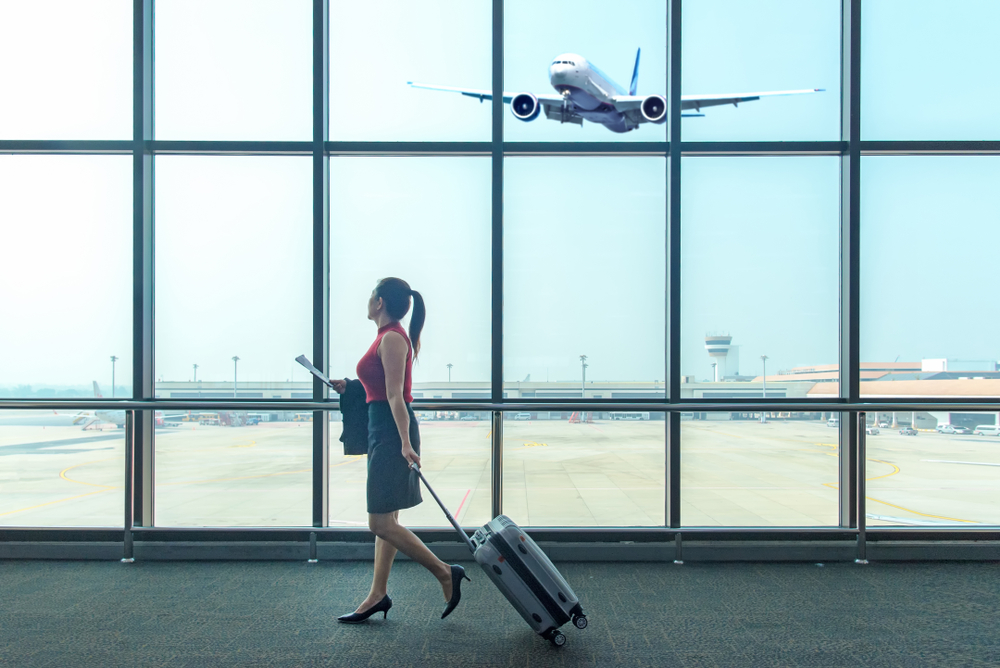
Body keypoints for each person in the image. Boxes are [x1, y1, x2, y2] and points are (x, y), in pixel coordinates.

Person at [331, 277, 469, 624]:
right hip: (383, 429)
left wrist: (405, 443)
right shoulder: (385, 337)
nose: (367, 300)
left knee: (378, 521)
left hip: (392, 433)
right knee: (388, 519)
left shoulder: (392, 337)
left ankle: (443, 573)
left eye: (370, 295)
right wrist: (350, 386)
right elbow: (379, 389)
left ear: (379, 302)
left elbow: (396, 396)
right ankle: (377, 595)